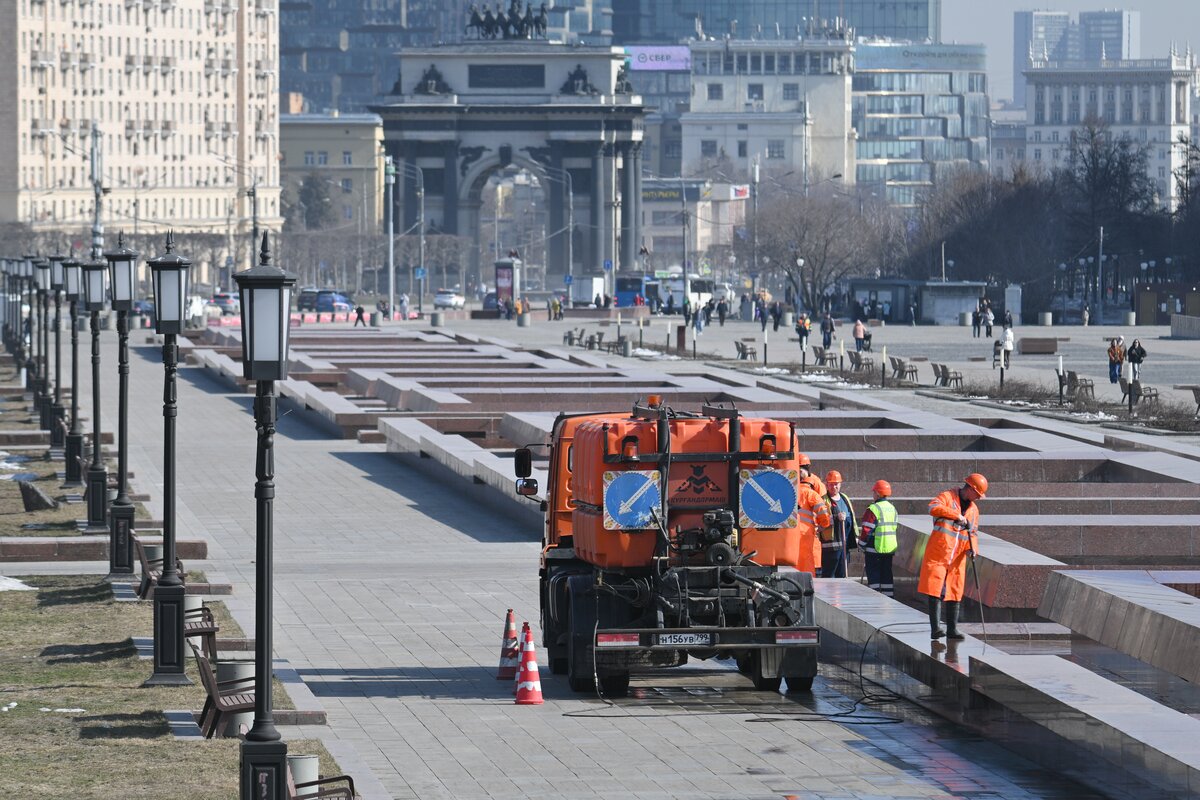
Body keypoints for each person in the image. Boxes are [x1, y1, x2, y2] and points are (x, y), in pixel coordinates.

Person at [918, 473, 987, 640]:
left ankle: (952, 629)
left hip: (957, 557)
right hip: (939, 553)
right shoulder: (947, 497)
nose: (978, 498)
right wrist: (956, 515)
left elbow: (973, 533)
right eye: (977, 494)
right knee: (935, 590)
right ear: (970, 489)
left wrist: (973, 549)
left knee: (955, 590)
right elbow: (932, 508)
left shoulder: (974, 510)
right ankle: (936, 629)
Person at [858, 480, 898, 597]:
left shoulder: (873, 509)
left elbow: (867, 529)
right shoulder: (892, 508)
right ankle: (889, 599)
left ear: (878, 493)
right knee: (887, 575)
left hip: (874, 548)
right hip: (889, 549)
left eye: (874, 492)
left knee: (874, 575)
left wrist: (861, 544)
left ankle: (875, 598)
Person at [821, 471, 857, 578]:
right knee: (829, 576)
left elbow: (851, 518)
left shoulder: (845, 498)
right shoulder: (823, 500)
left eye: (836, 484)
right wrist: (836, 517)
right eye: (831, 484)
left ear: (840, 484)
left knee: (842, 575)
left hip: (844, 546)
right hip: (830, 547)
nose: (834, 487)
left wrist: (855, 536)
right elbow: (820, 521)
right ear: (827, 485)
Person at [795, 481, 833, 575]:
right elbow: (823, 513)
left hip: (789, 533)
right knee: (806, 560)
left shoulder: (789, 491)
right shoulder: (811, 493)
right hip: (806, 534)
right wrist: (824, 525)